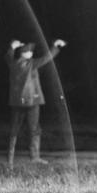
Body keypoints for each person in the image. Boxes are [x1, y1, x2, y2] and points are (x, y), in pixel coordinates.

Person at [5, 38, 66, 169]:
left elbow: (8, 56)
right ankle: (34, 157)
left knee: (14, 129)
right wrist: (55, 47)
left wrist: (12, 47)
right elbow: (46, 59)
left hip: (17, 102)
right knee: (34, 129)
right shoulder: (31, 64)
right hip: (32, 101)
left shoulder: (13, 63)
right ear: (24, 54)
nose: (32, 53)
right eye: (29, 51)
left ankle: (10, 159)